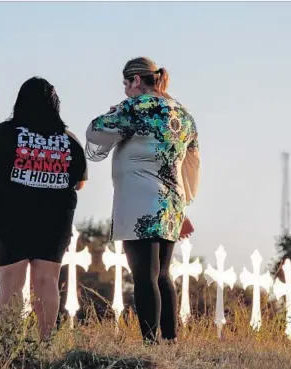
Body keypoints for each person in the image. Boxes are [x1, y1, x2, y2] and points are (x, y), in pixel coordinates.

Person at [85, 57, 200, 344]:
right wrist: (184, 204)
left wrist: (115, 113)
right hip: (172, 203)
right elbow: (192, 163)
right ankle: (171, 341)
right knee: (163, 274)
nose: (125, 91)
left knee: (144, 276)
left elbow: (94, 131)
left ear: (136, 80)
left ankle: (150, 342)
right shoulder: (184, 114)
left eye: (126, 84)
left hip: (139, 202)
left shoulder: (135, 107)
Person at [0, 77, 88, 340]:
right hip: (55, 219)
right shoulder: (69, 140)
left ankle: (8, 343)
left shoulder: (4, 132)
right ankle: (44, 342)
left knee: (11, 281)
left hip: (11, 216)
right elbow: (80, 183)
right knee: (47, 281)